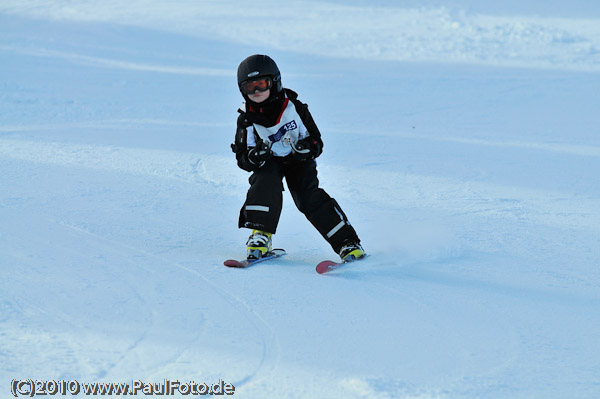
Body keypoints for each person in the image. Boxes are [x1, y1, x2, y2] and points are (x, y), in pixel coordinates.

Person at [231, 54, 365, 262]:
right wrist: (254, 157)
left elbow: (316, 141)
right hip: (269, 162)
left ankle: (347, 243)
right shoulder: (247, 118)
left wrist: (306, 148)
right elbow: (242, 157)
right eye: (250, 87)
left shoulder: (294, 108)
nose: (256, 92)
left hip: (297, 160)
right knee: (264, 182)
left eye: (261, 84)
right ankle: (260, 236)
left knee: (308, 197)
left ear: (274, 81)